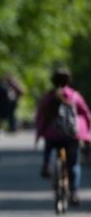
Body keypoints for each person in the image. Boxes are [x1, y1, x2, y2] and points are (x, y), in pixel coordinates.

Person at [35, 67, 91, 205]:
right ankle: (74, 193)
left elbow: (40, 116)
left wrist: (40, 132)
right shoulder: (74, 96)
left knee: (49, 144)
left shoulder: (48, 96)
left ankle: (46, 164)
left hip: (52, 134)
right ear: (69, 80)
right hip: (71, 135)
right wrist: (86, 133)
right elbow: (86, 114)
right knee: (74, 165)